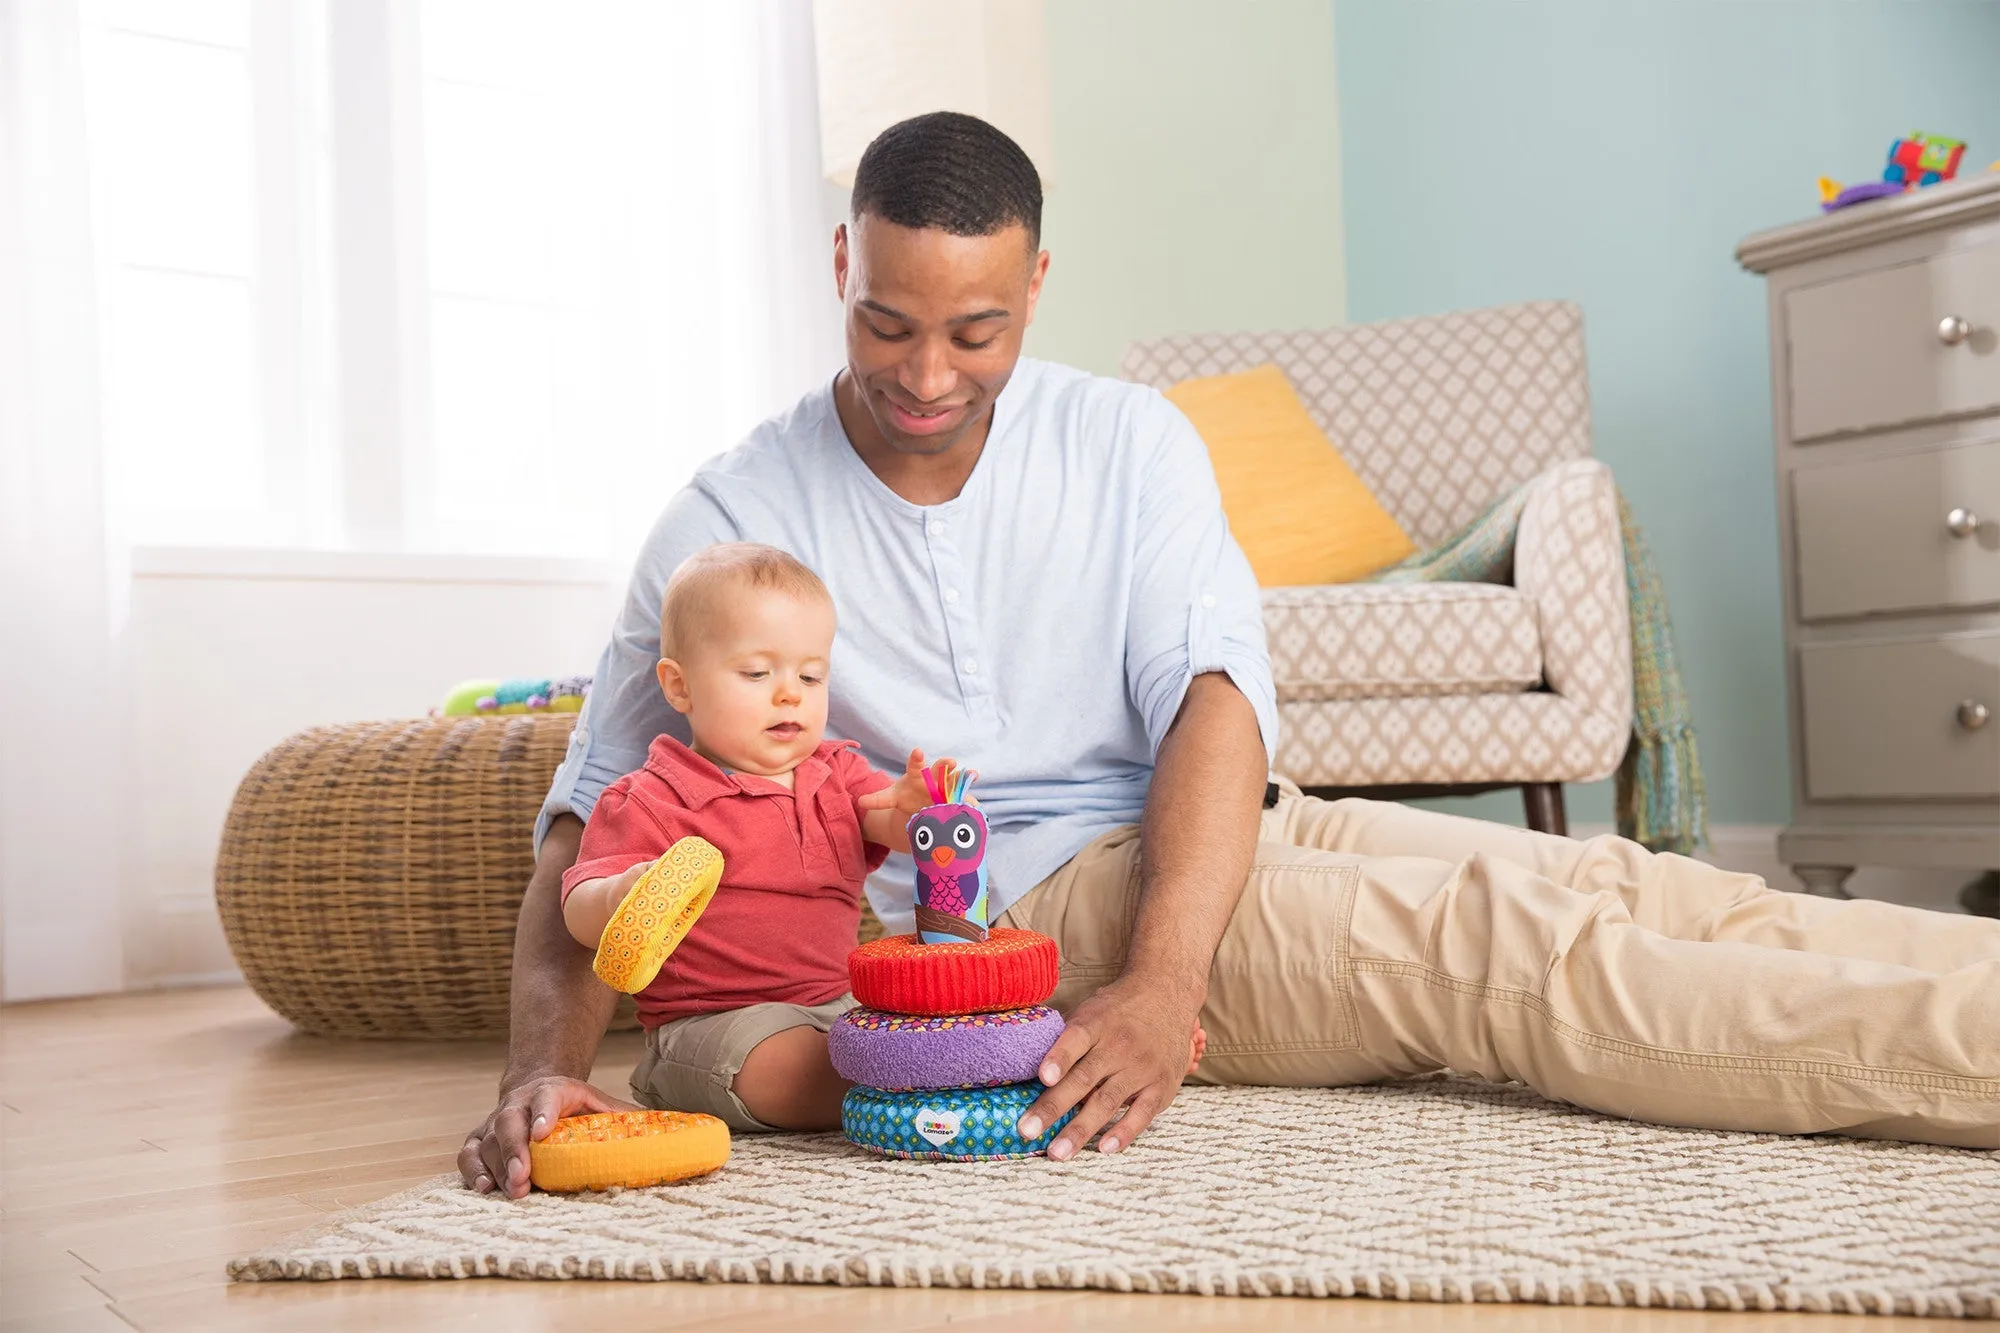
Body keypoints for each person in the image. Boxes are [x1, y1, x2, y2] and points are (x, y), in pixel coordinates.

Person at [461, 111, 2000, 1200]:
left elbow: (1211, 694)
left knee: (1615, 885)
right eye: (888, 325)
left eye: (976, 332)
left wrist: (1167, 976)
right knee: (1510, 958)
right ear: (838, 269)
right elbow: (583, 822)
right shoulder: (728, 513)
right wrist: (545, 1071)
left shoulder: (1125, 436)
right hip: (1009, 905)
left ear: (1039, 289)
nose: (927, 375)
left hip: (1207, 835)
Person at [556, 541, 946, 1131]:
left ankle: (905, 1073)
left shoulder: (835, 773)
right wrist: (618, 896)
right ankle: (890, 1088)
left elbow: (885, 823)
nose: (789, 692)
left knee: (925, 1018)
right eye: (757, 672)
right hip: (716, 1026)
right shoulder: (651, 798)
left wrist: (916, 811)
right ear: (680, 687)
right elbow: (579, 916)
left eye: (811, 675)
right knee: (797, 1069)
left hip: (838, 1004)